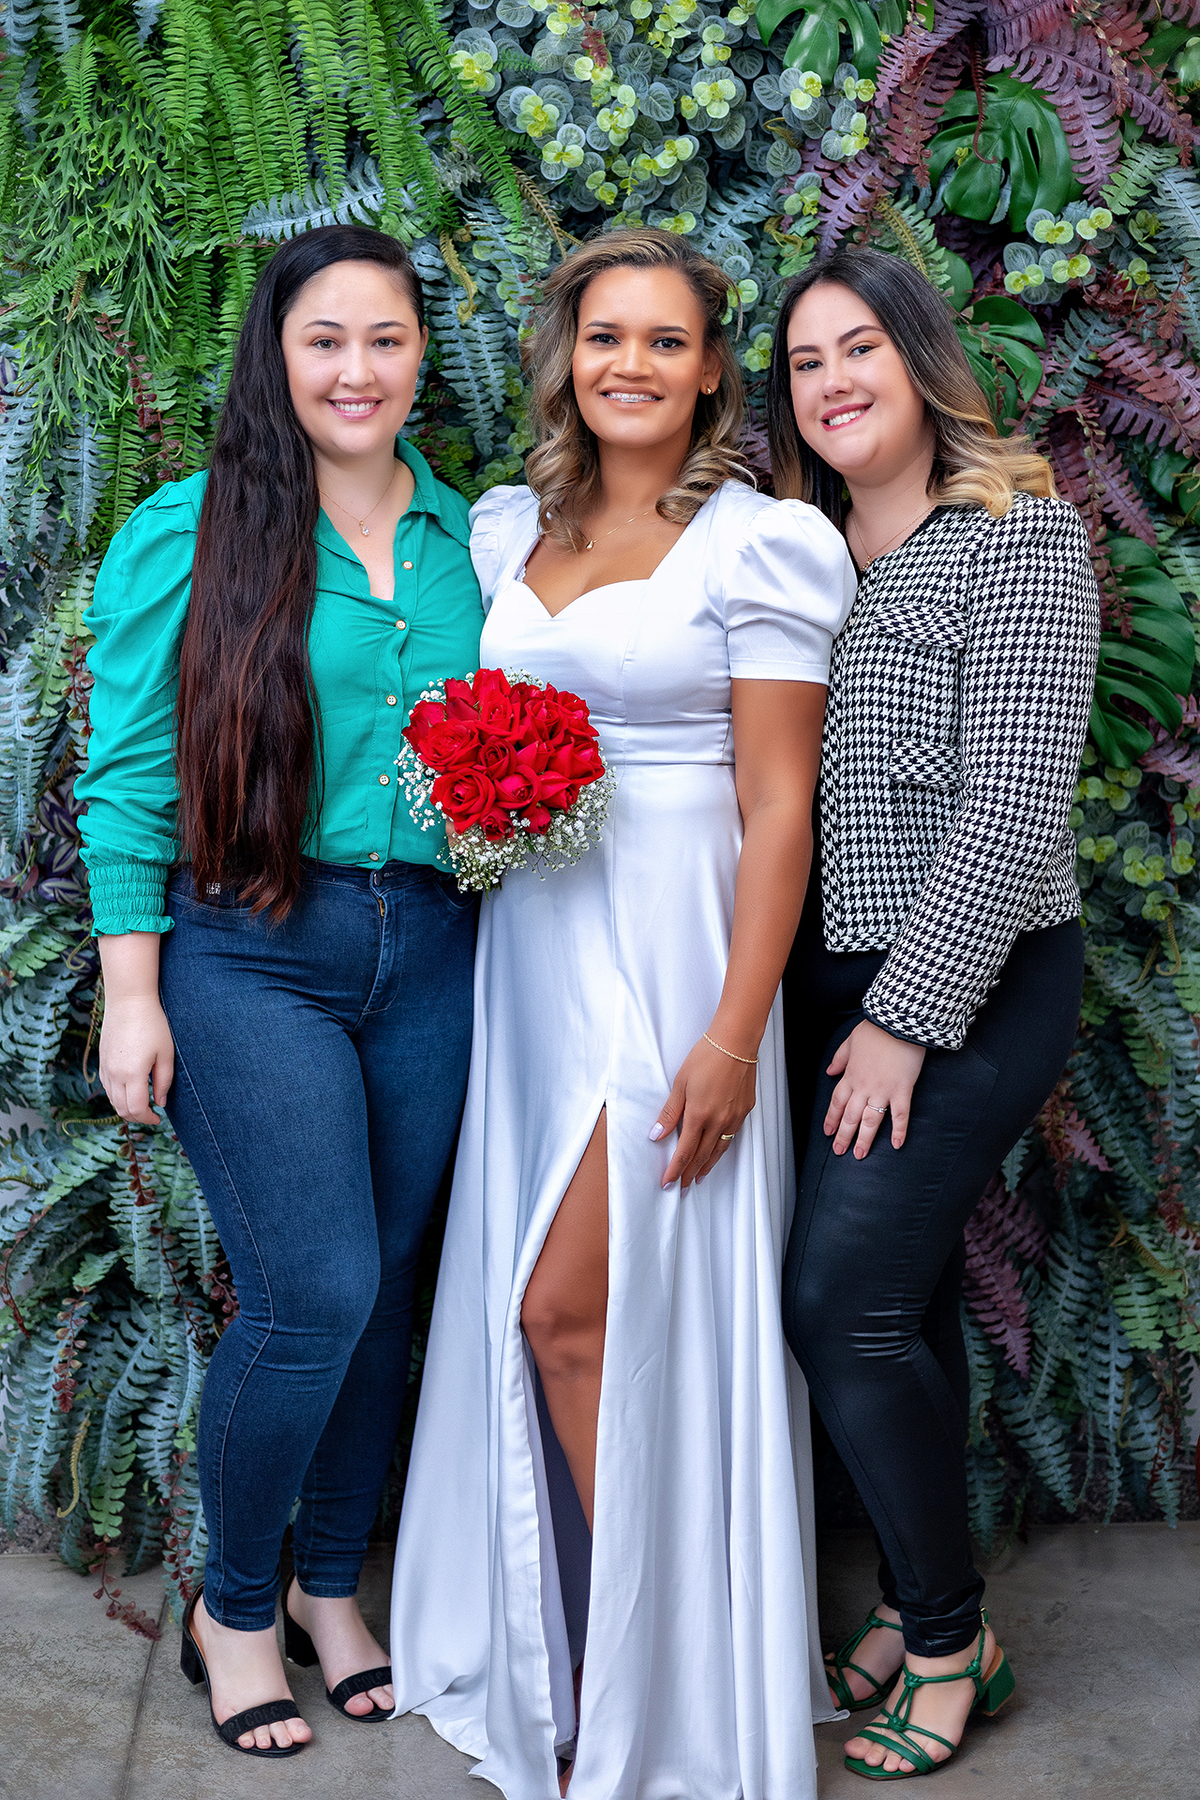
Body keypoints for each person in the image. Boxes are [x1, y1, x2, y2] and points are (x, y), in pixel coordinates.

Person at [389, 227, 857, 1800]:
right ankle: (569, 1639)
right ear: (567, 357)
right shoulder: (507, 527)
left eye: (666, 340)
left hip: (676, 958)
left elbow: (778, 810)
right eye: (606, 337)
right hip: (530, 951)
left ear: (714, 370)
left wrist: (733, 1034)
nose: (632, 365)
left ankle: (649, 1677)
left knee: (570, 1308)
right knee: (551, 1306)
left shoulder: (760, 547)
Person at [77, 224, 483, 1757]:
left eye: (385, 338)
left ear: (422, 354)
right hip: (250, 945)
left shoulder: (469, 538)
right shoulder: (192, 529)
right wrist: (134, 993)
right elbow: (126, 777)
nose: (356, 370)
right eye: (325, 340)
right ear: (279, 354)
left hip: (432, 947)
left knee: (385, 1297)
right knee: (313, 1291)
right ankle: (234, 1607)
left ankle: (328, 1587)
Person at [768, 246, 1100, 1781]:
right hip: (822, 987)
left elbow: (1016, 806)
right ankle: (917, 1600)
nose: (833, 382)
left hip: (972, 985)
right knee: (895, 1303)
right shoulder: (799, 547)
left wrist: (908, 1020)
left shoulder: (1017, 535)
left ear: (919, 359)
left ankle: (956, 1645)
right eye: (805, 362)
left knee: (841, 1303)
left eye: (860, 349)